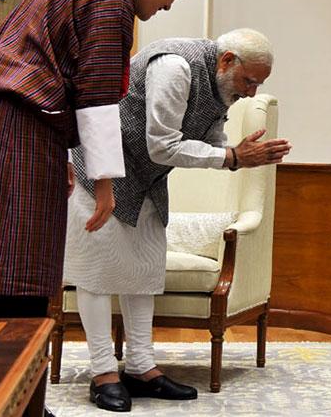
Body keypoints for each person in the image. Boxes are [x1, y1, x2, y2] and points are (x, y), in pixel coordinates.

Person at [0, 0, 199, 318]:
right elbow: (98, 96)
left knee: (17, 268)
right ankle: (13, 372)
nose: (167, 7)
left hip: (14, 122)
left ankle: (15, 373)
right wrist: (106, 185)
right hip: (20, 126)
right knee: (21, 269)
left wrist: (62, 154)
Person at [64, 29, 292, 412]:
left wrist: (238, 153)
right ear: (227, 60)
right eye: (249, 81)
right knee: (97, 273)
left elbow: (214, 140)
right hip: (99, 172)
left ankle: (141, 368)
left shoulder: (222, 86)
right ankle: (103, 372)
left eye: (258, 84)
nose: (251, 92)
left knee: (143, 270)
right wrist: (233, 157)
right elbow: (163, 144)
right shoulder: (175, 66)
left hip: (146, 181)